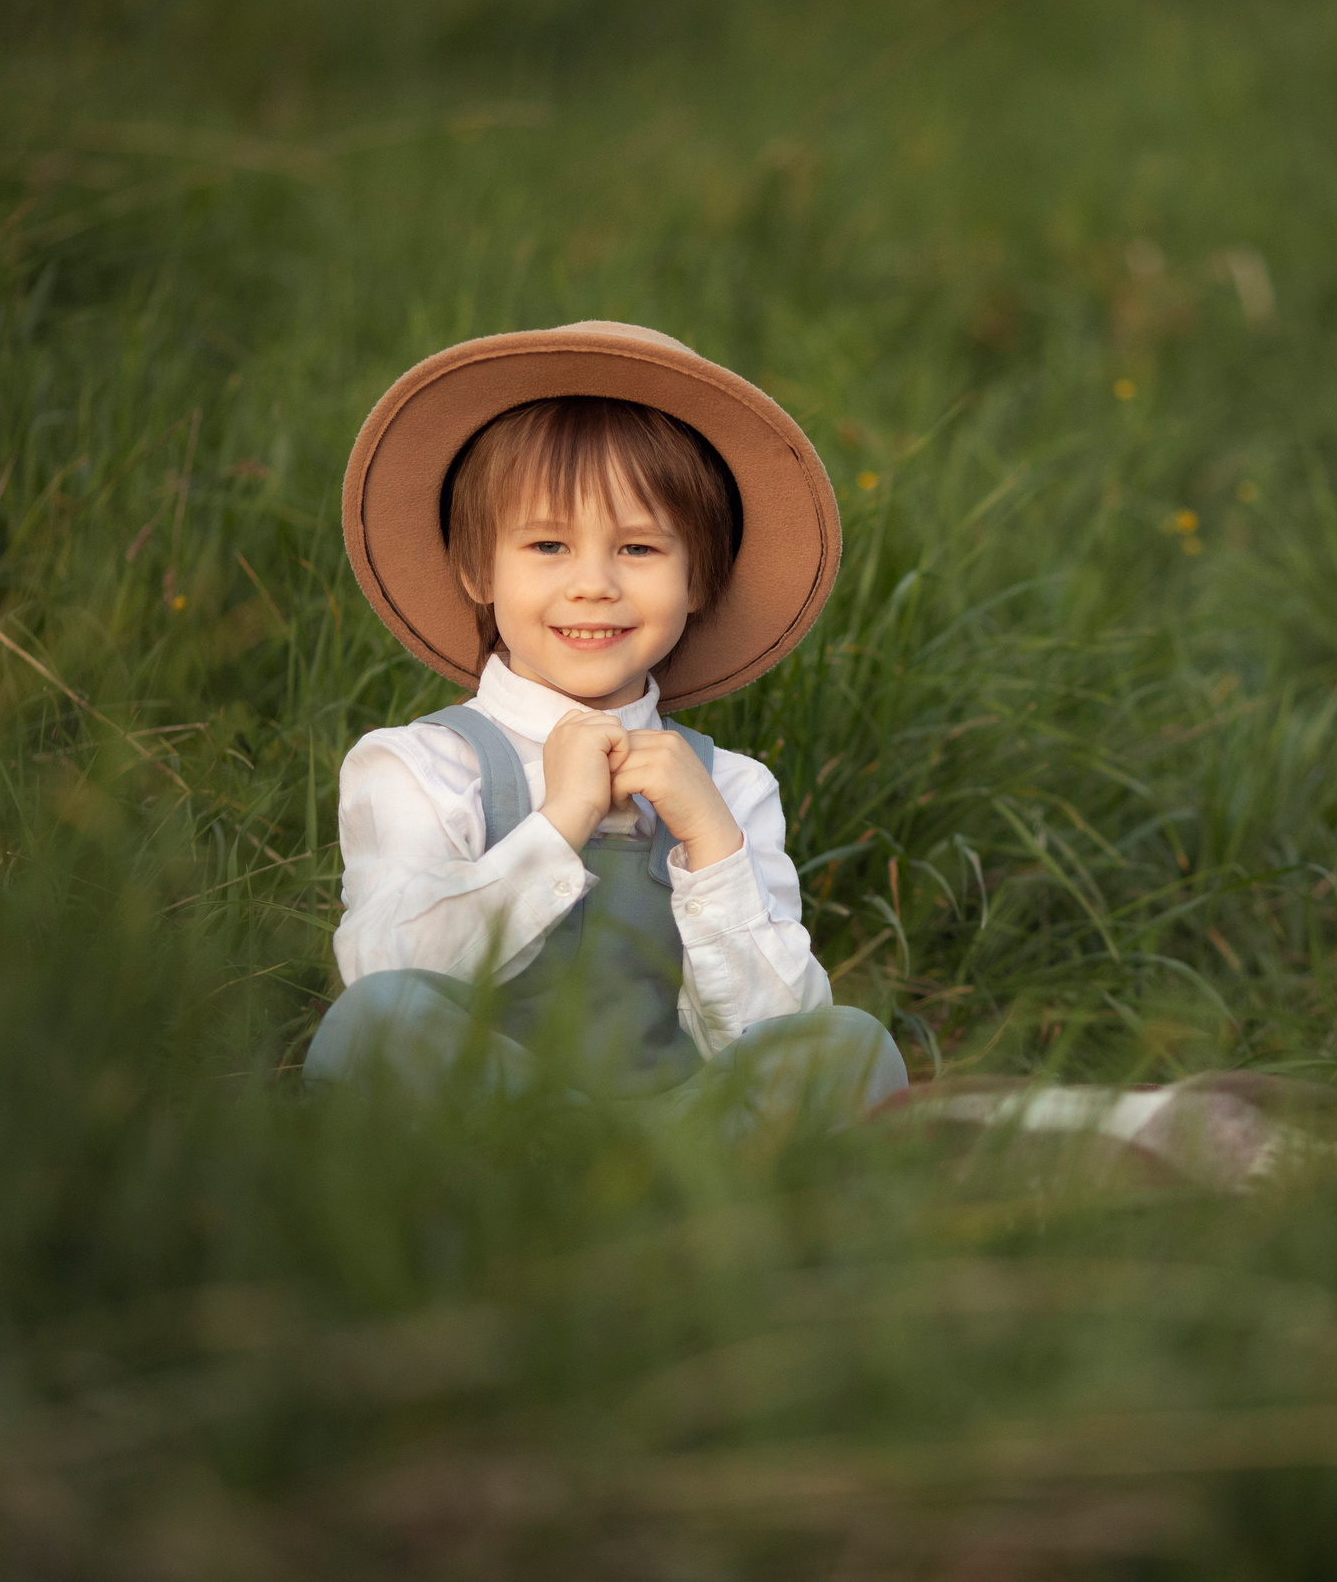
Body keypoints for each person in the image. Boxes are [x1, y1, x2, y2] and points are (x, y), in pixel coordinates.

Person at [306, 321, 907, 1131]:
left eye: (638, 547)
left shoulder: (732, 788)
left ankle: (675, 1200)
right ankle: (549, 1174)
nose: (593, 584)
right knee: (375, 1026)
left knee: (851, 1044)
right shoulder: (423, 765)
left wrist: (712, 847)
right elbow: (382, 969)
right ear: (478, 568)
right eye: (548, 543)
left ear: (701, 578)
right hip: (494, 1122)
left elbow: (773, 1028)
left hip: (686, 1133)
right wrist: (558, 824)